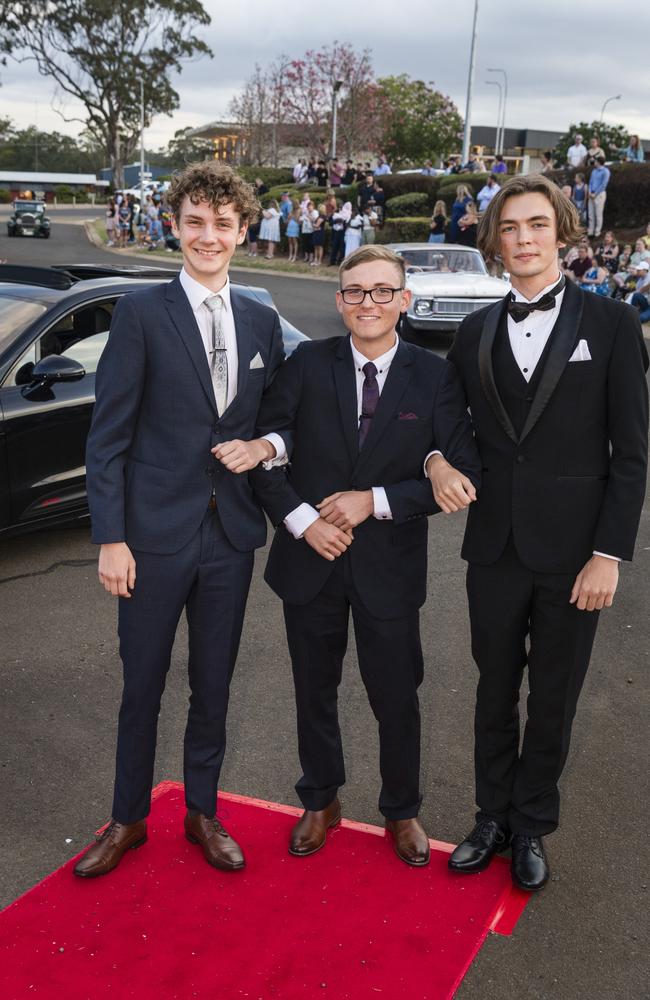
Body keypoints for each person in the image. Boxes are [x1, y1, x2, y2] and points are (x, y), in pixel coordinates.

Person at [426, 174, 648, 892]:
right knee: (493, 690)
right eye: (510, 228)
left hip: (575, 554)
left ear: (562, 232)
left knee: (553, 695)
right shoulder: (474, 332)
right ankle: (490, 816)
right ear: (495, 241)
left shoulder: (612, 325)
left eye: (536, 225)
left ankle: (531, 826)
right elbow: (448, 419)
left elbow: (633, 453)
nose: (523, 239)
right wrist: (437, 461)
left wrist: (609, 554)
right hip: (492, 547)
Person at [76, 162, 287, 879]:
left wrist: (267, 444)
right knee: (142, 684)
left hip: (230, 536)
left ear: (242, 231)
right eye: (194, 221)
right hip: (150, 539)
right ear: (174, 225)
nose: (208, 235)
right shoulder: (140, 314)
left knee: (215, 682)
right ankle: (129, 817)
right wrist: (110, 537)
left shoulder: (261, 318)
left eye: (222, 224)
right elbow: (107, 439)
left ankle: (203, 811)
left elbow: (278, 421)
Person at [250, 245, 481, 866]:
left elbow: (460, 470)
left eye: (383, 291)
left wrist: (371, 500)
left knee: (396, 693)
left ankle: (402, 809)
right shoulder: (305, 363)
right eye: (356, 291)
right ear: (340, 301)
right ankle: (320, 799)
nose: (368, 303)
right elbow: (267, 453)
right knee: (313, 688)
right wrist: (303, 523)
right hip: (310, 562)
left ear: (405, 301)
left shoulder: (435, 376)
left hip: (389, 567)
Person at [587, 155, 610, 238]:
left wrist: (595, 193)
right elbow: (590, 182)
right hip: (591, 194)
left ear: (599, 162)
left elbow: (603, 185)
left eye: (596, 161)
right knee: (590, 214)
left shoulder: (605, 171)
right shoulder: (594, 171)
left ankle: (597, 232)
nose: (595, 162)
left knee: (598, 214)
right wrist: (589, 192)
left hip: (599, 194)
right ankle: (590, 231)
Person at [328, 200, 350, 267]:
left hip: (342, 232)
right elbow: (330, 222)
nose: (340, 207)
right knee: (334, 247)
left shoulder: (347, 213)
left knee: (342, 248)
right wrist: (335, 221)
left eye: (341, 206)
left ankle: (340, 261)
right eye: (339, 206)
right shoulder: (335, 213)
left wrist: (342, 222)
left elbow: (347, 223)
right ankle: (332, 261)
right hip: (335, 232)